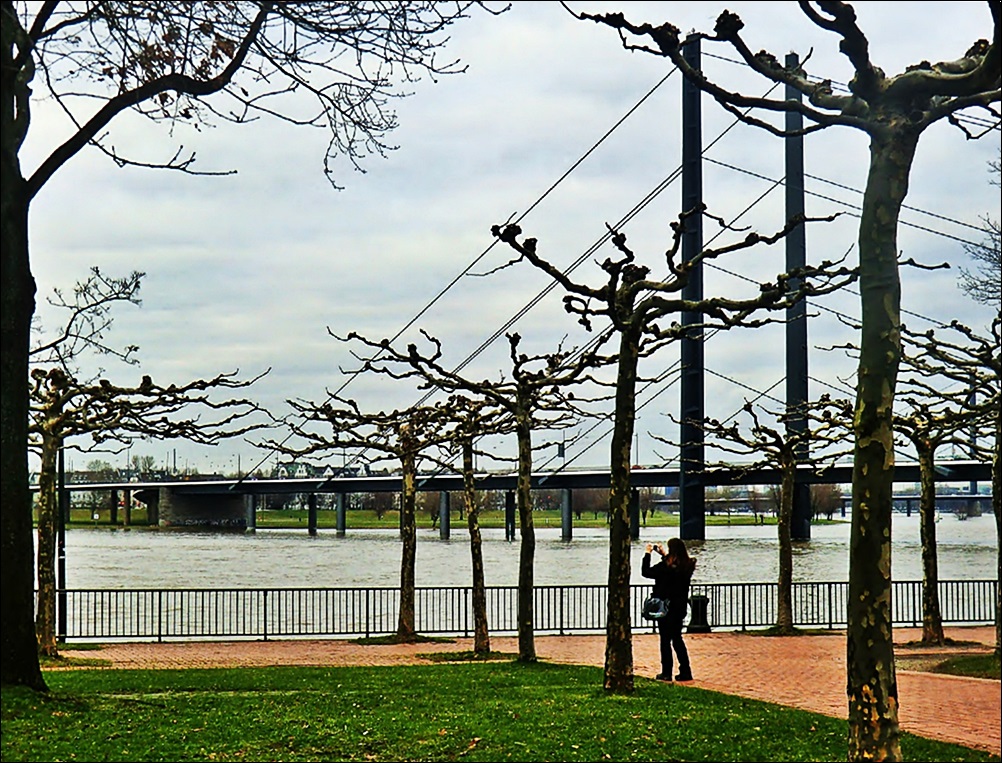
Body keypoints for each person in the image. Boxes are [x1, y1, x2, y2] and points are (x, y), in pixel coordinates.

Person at [642, 537, 696, 681]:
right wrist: (664, 555)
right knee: (677, 639)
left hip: (664, 608)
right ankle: (686, 671)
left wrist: (648, 553)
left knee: (665, 640)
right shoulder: (688, 565)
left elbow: (646, 572)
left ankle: (666, 672)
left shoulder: (664, 568)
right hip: (679, 608)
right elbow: (674, 567)